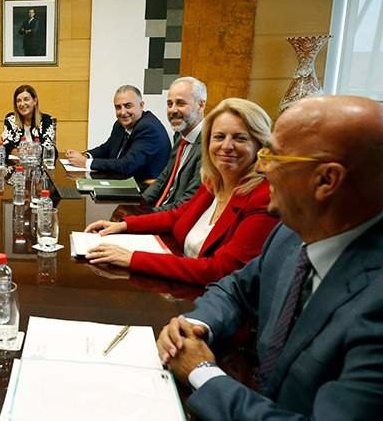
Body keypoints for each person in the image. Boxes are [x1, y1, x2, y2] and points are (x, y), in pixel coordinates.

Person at [156, 95, 383, 421]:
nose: (261, 168)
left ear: (326, 181)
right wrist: (197, 325)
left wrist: (202, 372)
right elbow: (235, 287)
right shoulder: (292, 233)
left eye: (273, 155)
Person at [84, 98, 277, 285]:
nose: (226, 146)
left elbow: (219, 270)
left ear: (260, 145)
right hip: (180, 284)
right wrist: (124, 225)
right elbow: (178, 216)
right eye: (218, 137)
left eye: (239, 138)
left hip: (206, 299)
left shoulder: (263, 198)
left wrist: (133, 259)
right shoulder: (213, 182)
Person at [66, 85, 170, 182]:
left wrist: (85, 163)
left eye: (128, 106)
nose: (122, 112)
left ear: (141, 105)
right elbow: (106, 149)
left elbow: (127, 165)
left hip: (143, 188)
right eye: (118, 107)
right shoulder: (120, 124)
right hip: (121, 181)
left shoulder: (149, 128)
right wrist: (85, 155)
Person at [142, 76, 206, 210]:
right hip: (160, 212)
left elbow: (189, 202)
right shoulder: (181, 137)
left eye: (180, 103)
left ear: (201, 105)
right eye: (170, 104)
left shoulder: (209, 145)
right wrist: (139, 205)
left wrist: (146, 217)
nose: (173, 110)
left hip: (176, 221)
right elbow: (163, 179)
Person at [0, 84, 55, 156]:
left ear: (35, 101)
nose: (22, 104)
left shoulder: (46, 120)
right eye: (18, 101)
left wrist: (28, 154)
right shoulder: (10, 119)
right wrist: (17, 153)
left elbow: (48, 147)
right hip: (17, 164)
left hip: (39, 164)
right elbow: (7, 144)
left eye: (26, 99)